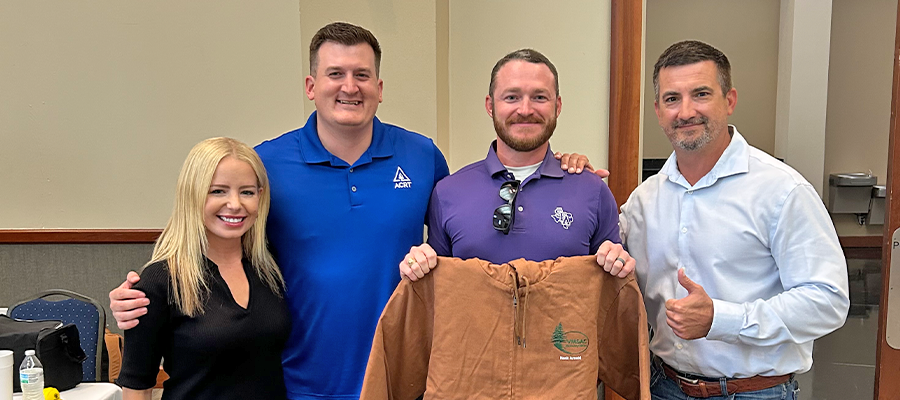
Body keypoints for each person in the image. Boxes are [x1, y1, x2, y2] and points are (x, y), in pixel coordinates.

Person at [110, 23, 598, 400]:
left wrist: (561, 169)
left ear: (380, 87)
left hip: (406, 377)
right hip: (299, 381)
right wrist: (145, 296)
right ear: (310, 85)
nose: (350, 87)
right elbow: (216, 240)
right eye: (335, 74)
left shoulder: (422, 157)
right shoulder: (267, 163)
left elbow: (471, 225)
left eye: (362, 75)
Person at [620, 40, 849, 399]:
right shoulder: (643, 201)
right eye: (672, 99)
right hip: (665, 387)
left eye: (700, 94)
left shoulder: (781, 190)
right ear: (657, 110)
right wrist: (572, 178)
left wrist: (721, 320)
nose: (685, 111)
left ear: (729, 100)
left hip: (755, 392)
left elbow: (828, 300)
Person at [400, 48, 634, 280]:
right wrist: (417, 264)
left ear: (557, 106)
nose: (525, 110)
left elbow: (611, 291)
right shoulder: (448, 192)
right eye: (512, 97)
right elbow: (438, 292)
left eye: (539, 97)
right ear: (490, 106)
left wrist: (619, 262)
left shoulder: (592, 191)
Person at [117, 137, 290, 400]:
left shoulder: (271, 268)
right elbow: (136, 386)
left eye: (247, 191)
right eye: (218, 191)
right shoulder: (160, 280)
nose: (235, 204)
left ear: (260, 196)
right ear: (193, 195)